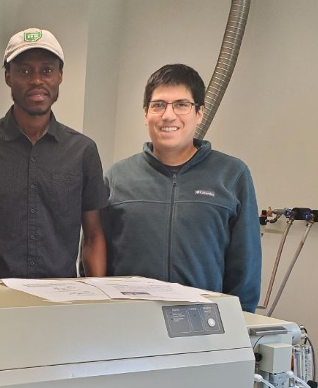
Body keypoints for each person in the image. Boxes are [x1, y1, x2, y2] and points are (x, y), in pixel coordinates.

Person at [0, 28, 107, 286]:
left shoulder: (83, 151)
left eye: (47, 70)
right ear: (8, 76)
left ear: (60, 76)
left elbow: (94, 237)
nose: (36, 80)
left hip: (60, 306)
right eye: (25, 71)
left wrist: (98, 299)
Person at [103, 64, 261, 312]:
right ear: (146, 114)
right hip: (130, 324)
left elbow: (245, 267)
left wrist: (239, 326)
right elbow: (96, 259)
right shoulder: (117, 177)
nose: (168, 115)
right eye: (158, 105)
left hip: (205, 328)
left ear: (199, 113)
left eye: (181, 104)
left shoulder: (231, 175)